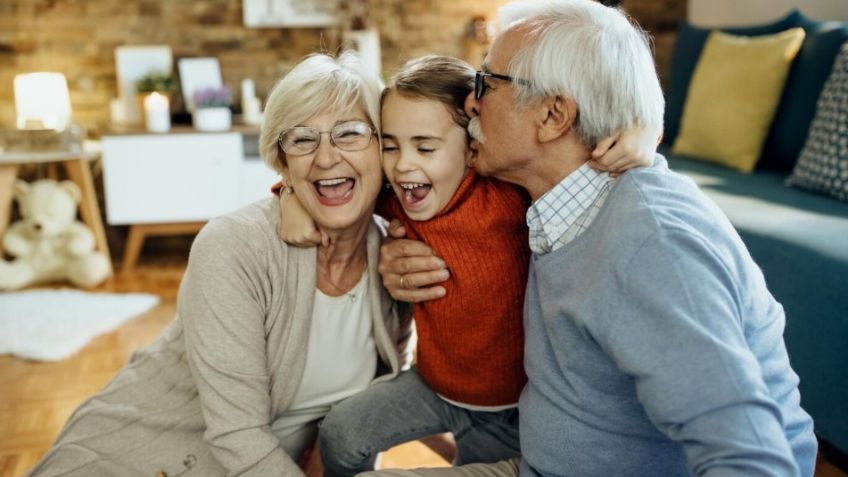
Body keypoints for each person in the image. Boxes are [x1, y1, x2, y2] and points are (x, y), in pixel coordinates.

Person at [373, 1, 818, 476]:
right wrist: (392, 248)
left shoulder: (653, 246)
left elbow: (754, 460)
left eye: (487, 83)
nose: (470, 103)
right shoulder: (547, 197)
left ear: (554, 115)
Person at [25, 51, 413, 477]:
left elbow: (370, 405)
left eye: (350, 133)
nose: (325, 157)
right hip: (137, 460)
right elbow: (238, 435)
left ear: (384, 148)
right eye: (302, 140)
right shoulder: (235, 246)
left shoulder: (395, 257)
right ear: (283, 164)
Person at [274, 54, 657, 476]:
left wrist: (644, 132)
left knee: (471, 465)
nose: (402, 165)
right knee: (341, 434)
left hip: (515, 405)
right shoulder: (397, 196)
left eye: (425, 147)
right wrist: (290, 194)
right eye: (390, 146)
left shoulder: (508, 195)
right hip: (433, 385)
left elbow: (584, 162)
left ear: (473, 149)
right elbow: (335, 186)